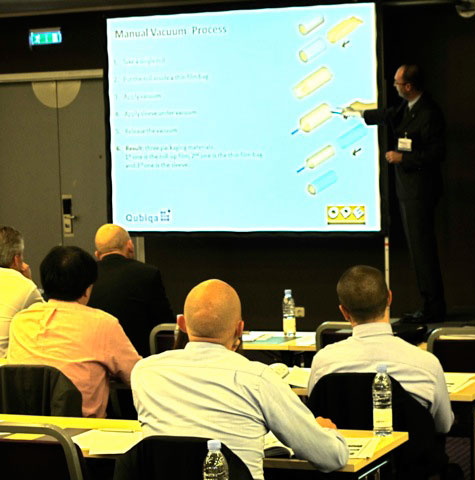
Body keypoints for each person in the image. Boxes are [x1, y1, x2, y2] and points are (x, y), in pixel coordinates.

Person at [131, 279, 349, 480]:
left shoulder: (144, 373)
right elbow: (331, 457)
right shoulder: (258, 379)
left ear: (181, 324)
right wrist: (326, 432)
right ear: (240, 329)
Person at [344, 64, 446, 324]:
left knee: (423, 251)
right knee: (417, 251)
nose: (395, 87)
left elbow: (436, 153)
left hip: (420, 191)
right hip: (408, 190)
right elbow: (387, 115)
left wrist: (404, 158)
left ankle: (433, 307)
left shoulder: (429, 113)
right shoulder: (406, 108)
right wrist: (358, 113)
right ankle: (429, 304)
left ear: (409, 86)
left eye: (398, 83)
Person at [308, 265, 454, 434]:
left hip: (345, 450)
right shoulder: (427, 364)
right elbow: (444, 426)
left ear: (344, 312)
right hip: (412, 452)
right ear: (389, 298)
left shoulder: (323, 362)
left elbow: (315, 419)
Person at [7, 246, 141, 417]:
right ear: (86, 289)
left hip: (21, 429)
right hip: (81, 430)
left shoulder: (20, 322)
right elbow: (136, 376)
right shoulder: (103, 324)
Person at [88, 224, 174, 356]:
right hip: (138, 358)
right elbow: (165, 322)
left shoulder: (85, 276)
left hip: (95, 356)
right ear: (130, 245)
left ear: (97, 254)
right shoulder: (148, 273)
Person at [0, 226, 44, 357]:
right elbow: (49, 319)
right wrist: (29, 281)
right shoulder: (24, 285)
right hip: (4, 364)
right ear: (16, 259)